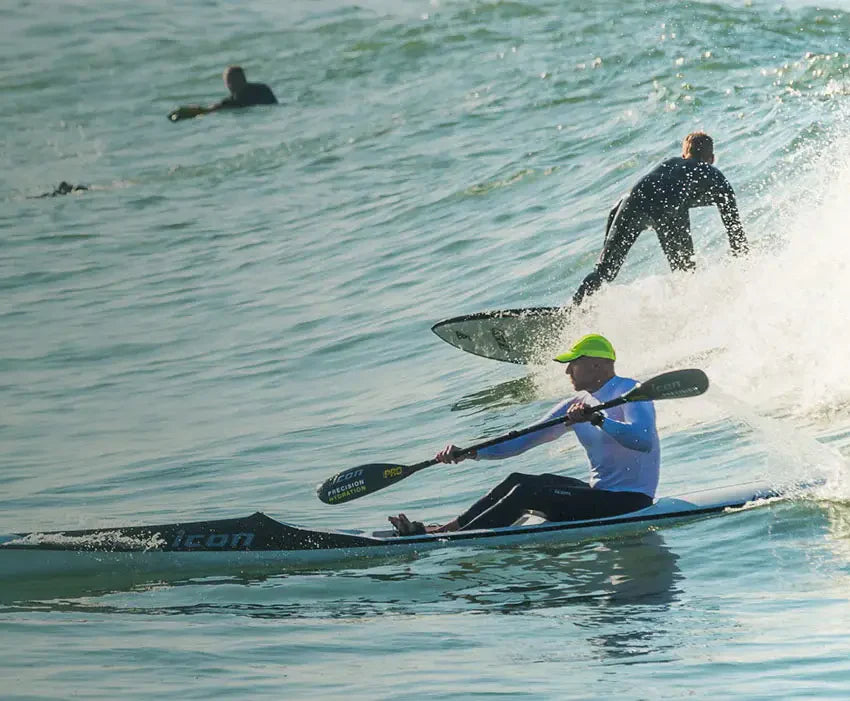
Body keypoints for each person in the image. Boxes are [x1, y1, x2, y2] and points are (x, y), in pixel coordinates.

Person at [388, 334, 659, 535]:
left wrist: (597, 419)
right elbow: (522, 441)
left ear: (597, 365)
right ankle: (444, 530)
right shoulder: (575, 404)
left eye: (573, 364)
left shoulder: (631, 392)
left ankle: (453, 540)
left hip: (630, 500)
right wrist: (470, 453)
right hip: (599, 494)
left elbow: (642, 441)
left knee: (528, 492)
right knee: (517, 479)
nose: (567, 370)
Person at [571, 132, 748, 306]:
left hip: (633, 201)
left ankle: (573, 310)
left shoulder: (669, 165)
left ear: (684, 155)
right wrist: (745, 270)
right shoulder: (714, 175)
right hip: (668, 205)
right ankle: (691, 314)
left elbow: (615, 208)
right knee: (686, 274)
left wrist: (607, 248)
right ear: (711, 159)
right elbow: (736, 234)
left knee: (603, 271)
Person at [168, 65, 277, 122]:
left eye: (232, 81)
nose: (230, 85)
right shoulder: (262, 89)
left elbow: (208, 110)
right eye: (228, 82)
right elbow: (209, 110)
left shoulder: (261, 90)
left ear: (242, 79)